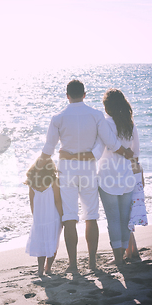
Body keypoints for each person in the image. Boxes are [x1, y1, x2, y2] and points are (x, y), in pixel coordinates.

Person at [39, 80, 134, 272]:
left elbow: (49, 148)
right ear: (84, 94)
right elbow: (111, 143)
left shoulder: (58, 117)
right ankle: (92, 263)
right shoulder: (96, 115)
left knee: (70, 217)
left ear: (67, 95)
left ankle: (73, 265)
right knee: (91, 216)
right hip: (89, 169)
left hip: (67, 170)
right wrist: (126, 153)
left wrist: (39, 163)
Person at [60, 88, 140, 266]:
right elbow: (136, 153)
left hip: (107, 178)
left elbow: (97, 150)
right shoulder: (130, 125)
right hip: (127, 177)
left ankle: (118, 257)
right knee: (125, 218)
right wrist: (137, 175)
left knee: (113, 219)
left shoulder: (104, 123)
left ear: (106, 107)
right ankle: (130, 252)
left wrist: (72, 156)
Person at [25, 158, 63, 277]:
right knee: (53, 242)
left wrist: (36, 217)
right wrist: (62, 216)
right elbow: (57, 201)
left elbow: (31, 202)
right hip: (53, 217)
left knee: (41, 243)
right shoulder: (54, 181)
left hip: (39, 218)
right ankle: (49, 268)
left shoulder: (32, 182)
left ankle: (40, 269)